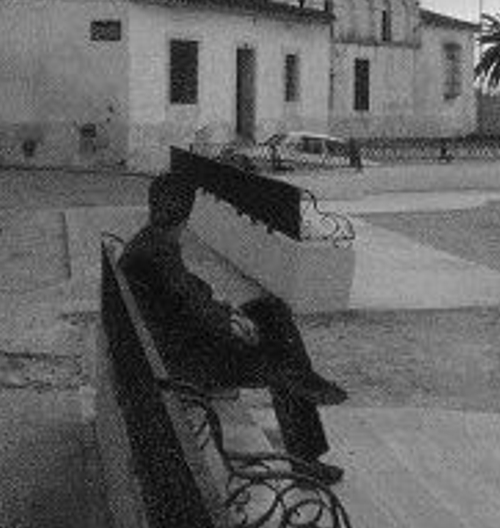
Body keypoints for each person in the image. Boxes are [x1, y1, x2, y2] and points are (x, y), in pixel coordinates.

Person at [119, 173, 348, 484]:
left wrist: (230, 313)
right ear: (185, 213)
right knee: (279, 354)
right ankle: (305, 453)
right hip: (188, 362)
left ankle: (303, 381)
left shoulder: (150, 242)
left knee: (270, 311)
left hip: (179, 345)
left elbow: (191, 294)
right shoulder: (157, 251)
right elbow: (192, 306)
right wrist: (230, 326)